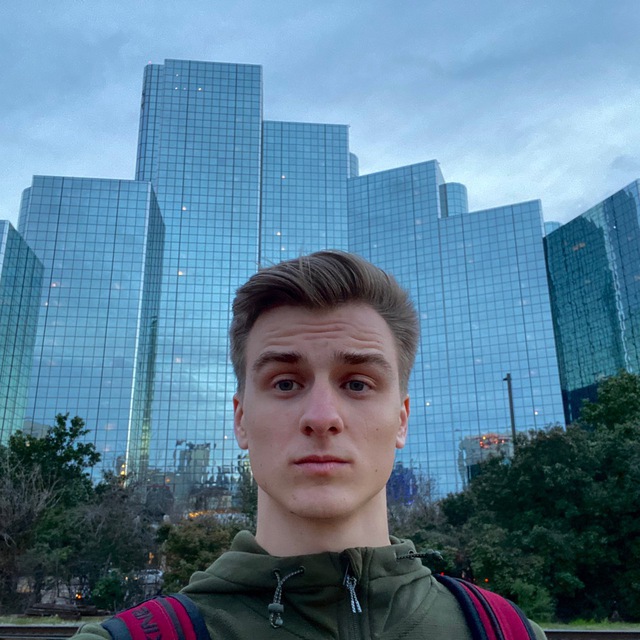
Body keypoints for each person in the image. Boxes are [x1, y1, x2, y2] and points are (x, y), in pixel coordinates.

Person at [76, 250, 546, 639]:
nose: (322, 417)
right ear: (241, 420)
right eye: (285, 383)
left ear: (401, 420)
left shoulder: (509, 632)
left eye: (358, 384)